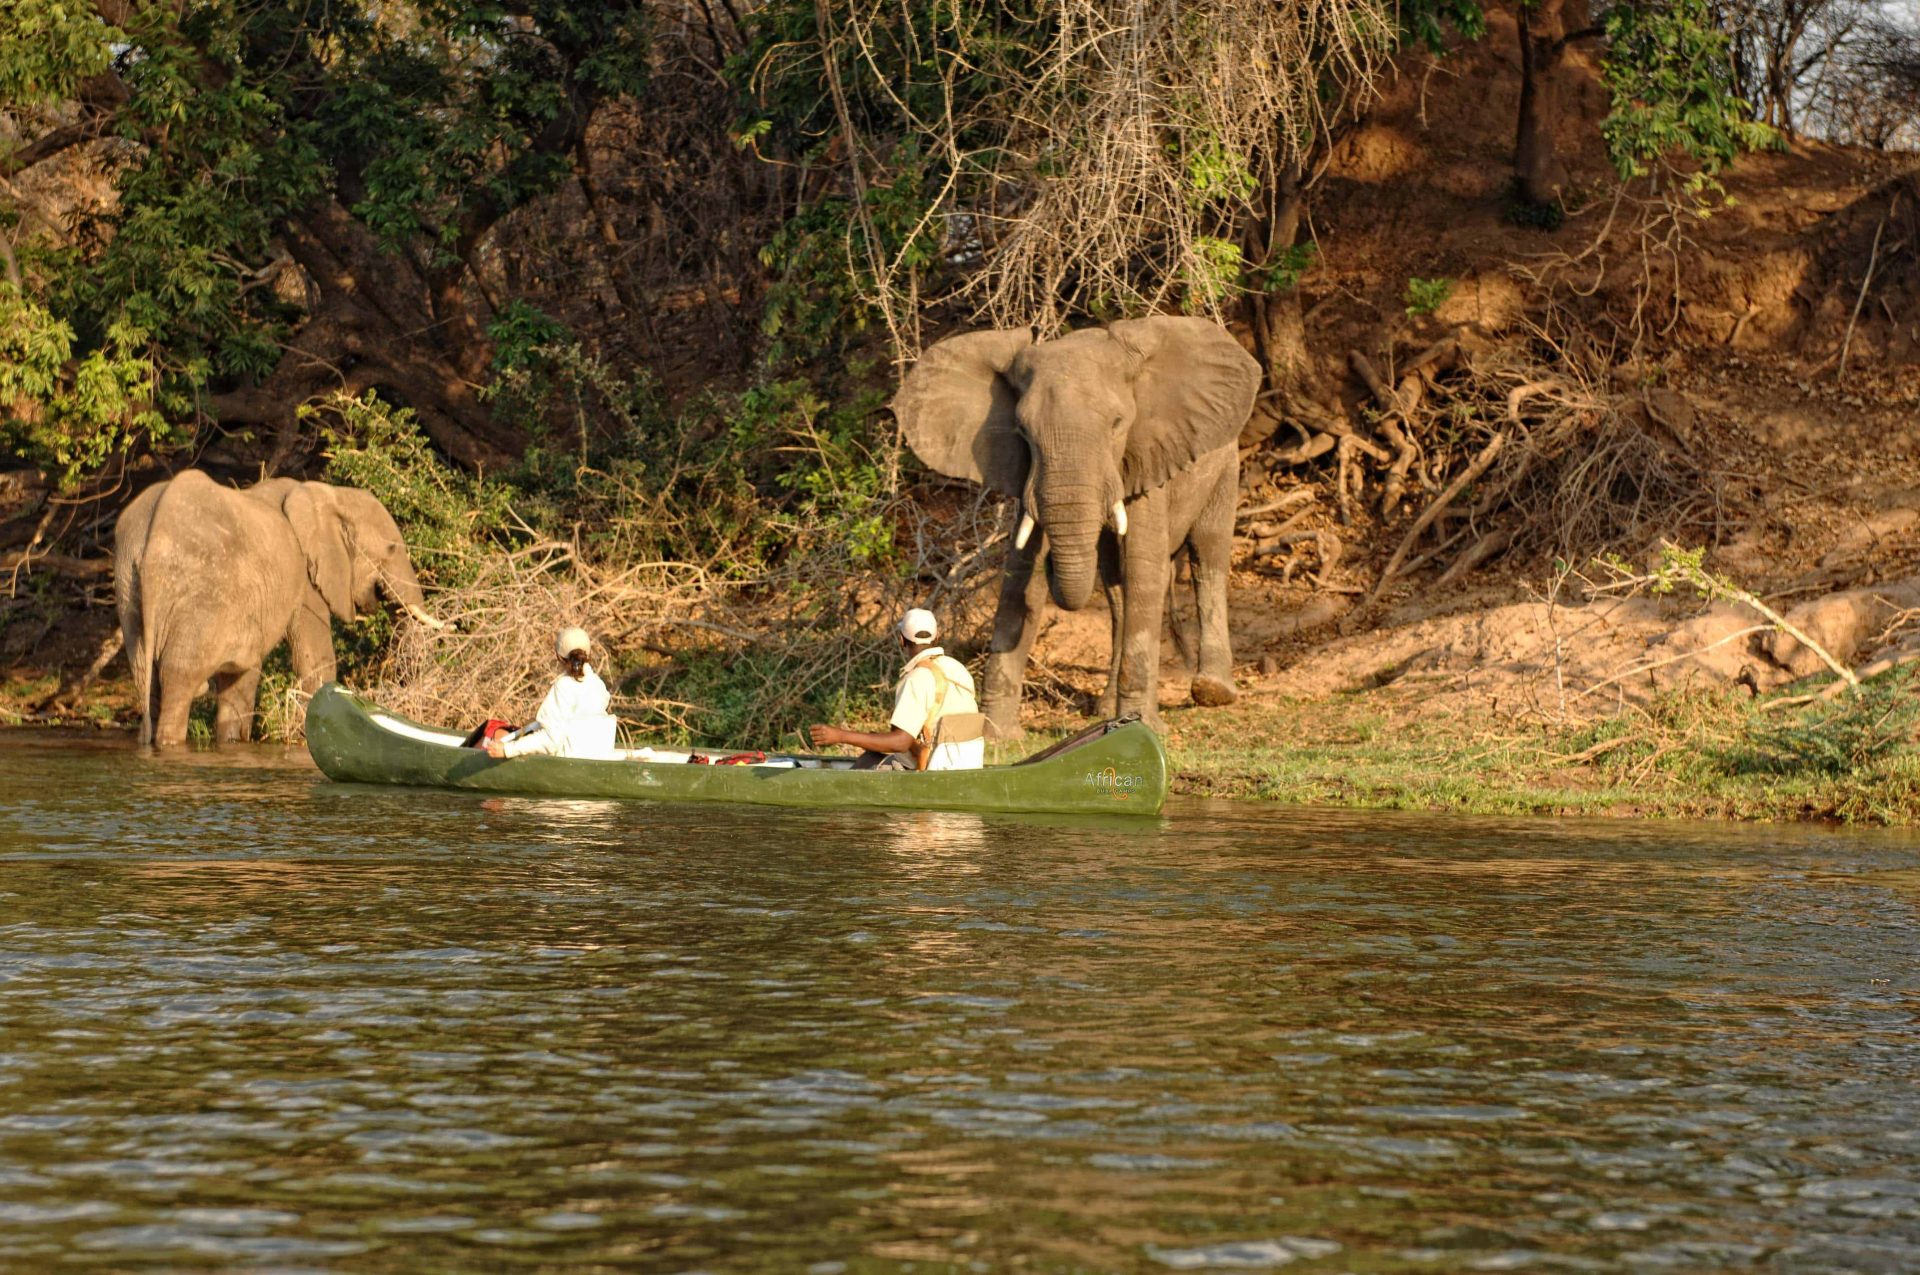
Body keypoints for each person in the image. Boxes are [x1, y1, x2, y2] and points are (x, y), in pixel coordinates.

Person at [808, 608, 985, 770]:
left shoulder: (917, 677)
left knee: (869, 760)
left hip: (934, 768)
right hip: (969, 763)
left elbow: (901, 742)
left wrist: (840, 736)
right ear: (937, 637)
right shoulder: (958, 669)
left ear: (901, 640)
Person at [485, 627, 619, 760]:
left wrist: (508, 750)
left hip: (571, 763)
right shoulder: (598, 684)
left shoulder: (563, 686)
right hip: (598, 757)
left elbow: (551, 739)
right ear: (588, 655)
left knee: (499, 736)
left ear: (559, 657)